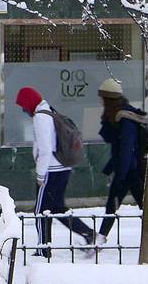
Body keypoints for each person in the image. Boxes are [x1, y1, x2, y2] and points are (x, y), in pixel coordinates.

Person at [15, 86, 95, 258]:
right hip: (61, 168)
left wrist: (40, 175)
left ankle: (44, 249)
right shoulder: (49, 112)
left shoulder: (41, 118)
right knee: (57, 208)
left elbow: (45, 148)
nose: (23, 110)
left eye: (23, 105)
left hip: (51, 170)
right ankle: (89, 234)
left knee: (41, 211)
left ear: (29, 103)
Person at [96, 78, 148, 241]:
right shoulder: (119, 116)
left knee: (113, 205)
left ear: (108, 99)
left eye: (103, 98)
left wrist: (121, 175)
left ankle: (100, 239)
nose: (100, 101)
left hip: (129, 170)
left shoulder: (125, 118)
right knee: (143, 205)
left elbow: (127, 148)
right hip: (131, 169)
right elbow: (119, 146)